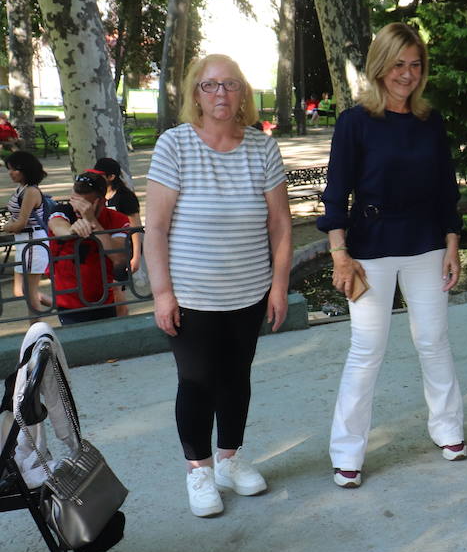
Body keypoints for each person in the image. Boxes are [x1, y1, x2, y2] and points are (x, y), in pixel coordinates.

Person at [318, 22, 466, 488]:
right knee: (366, 349)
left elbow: (446, 190)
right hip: (369, 250)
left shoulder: (430, 121)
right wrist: (340, 256)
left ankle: (449, 430)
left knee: (434, 340)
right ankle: (347, 452)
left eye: (415, 65)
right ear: (380, 66)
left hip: (425, 244)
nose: (407, 73)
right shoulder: (354, 122)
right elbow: (335, 195)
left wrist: (452, 245)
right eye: (399, 64)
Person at [145, 53, 292, 518]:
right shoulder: (175, 146)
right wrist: (162, 293)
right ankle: (199, 470)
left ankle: (229, 460)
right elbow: (156, 229)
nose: (221, 94)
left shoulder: (261, 148)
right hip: (191, 297)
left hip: (248, 292)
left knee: (236, 378)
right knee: (196, 381)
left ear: (243, 92)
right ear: (196, 95)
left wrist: (279, 286)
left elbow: (281, 226)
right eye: (210, 86)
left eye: (230, 84)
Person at [45, 171, 131, 324]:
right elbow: (58, 227)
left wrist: (92, 221)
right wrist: (72, 230)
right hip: (70, 304)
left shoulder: (117, 219)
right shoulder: (63, 211)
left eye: (85, 206)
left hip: (105, 300)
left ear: (101, 202)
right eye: (75, 202)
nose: (79, 210)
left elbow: (119, 259)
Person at [2, 150, 51, 313]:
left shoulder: (31, 191)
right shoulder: (21, 189)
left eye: (14, 169)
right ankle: (63, 305)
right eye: (9, 168)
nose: (10, 173)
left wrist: (6, 227)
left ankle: (36, 329)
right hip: (24, 242)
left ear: (25, 170)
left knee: (30, 295)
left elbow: (20, 224)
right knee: (21, 291)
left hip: (33, 243)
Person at [93, 156, 142, 314]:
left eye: (100, 174)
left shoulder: (125, 197)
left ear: (111, 177)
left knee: (116, 289)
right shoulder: (95, 196)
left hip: (121, 252)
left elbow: (135, 227)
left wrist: (136, 256)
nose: (96, 176)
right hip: (101, 252)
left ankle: (122, 321)